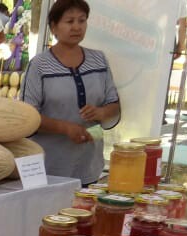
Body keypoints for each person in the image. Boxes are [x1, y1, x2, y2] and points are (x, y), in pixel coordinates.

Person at [21, 0, 120, 186]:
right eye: (70, 21)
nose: (77, 27)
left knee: (85, 212)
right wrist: (65, 128)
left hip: (89, 165)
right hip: (49, 167)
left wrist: (101, 113)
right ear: (54, 27)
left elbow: (114, 105)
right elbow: (27, 116)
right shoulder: (39, 65)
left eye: (82, 21)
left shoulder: (99, 60)